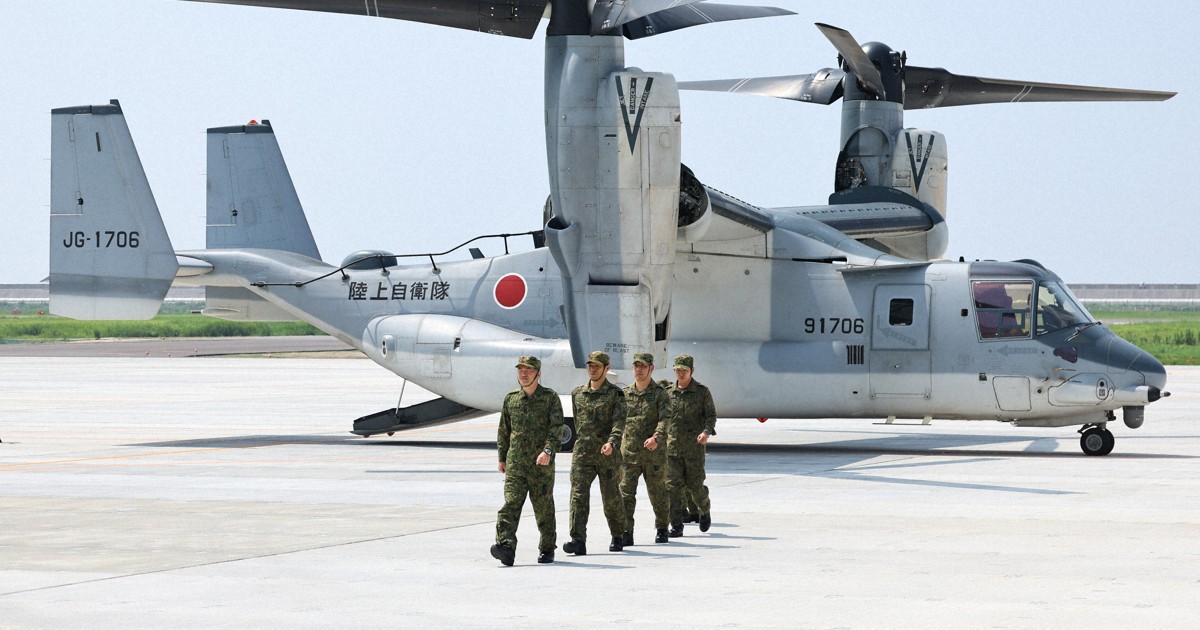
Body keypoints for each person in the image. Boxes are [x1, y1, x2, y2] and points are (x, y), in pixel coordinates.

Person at [491, 355, 564, 567]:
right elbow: (504, 430)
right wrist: (502, 457)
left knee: (543, 508)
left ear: (538, 374)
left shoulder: (549, 398)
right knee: (510, 504)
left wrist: (548, 451)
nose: (524, 374)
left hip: (541, 466)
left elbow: (556, 429)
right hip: (516, 465)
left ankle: (547, 547)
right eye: (521, 370)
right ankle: (506, 547)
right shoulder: (511, 399)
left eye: (529, 370)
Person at [563, 350, 627, 555]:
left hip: (607, 454)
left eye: (597, 366)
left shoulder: (616, 394)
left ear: (606, 369)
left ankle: (618, 535)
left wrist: (612, 442)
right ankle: (577, 540)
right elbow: (578, 421)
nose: (592, 369)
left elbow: (619, 423)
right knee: (578, 496)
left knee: (611, 497)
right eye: (590, 365)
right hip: (583, 454)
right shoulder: (577, 393)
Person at [619, 352, 671, 545]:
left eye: (643, 366)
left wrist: (657, 437)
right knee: (625, 494)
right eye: (636, 366)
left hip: (653, 454)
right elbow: (617, 420)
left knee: (658, 494)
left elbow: (665, 419)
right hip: (629, 454)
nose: (639, 370)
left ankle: (662, 527)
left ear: (651, 369)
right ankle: (626, 532)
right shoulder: (625, 394)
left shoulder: (660, 394)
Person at [664, 354, 717, 537]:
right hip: (672, 449)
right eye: (678, 370)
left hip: (694, 449)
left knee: (695, 487)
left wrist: (706, 432)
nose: (681, 373)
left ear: (692, 371)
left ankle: (704, 509)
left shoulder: (702, 392)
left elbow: (710, 416)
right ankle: (676, 525)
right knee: (672, 488)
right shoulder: (668, 393)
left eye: (684, 370)